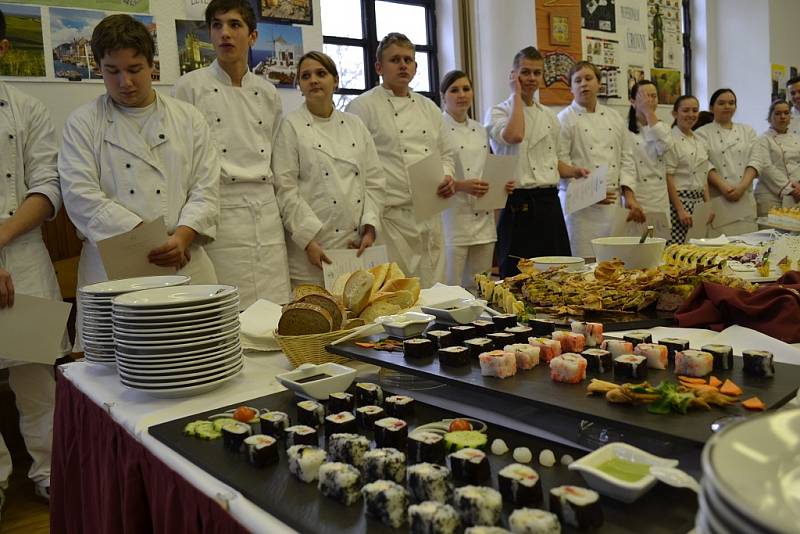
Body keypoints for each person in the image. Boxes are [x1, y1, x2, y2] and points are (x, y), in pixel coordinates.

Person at [59, 15, 220, 342]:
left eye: (134, 70)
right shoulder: (83, 123)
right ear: (98, 67)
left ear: (152, 65)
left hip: (184, 261)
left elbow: (206, 189)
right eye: (112, 71)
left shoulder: (188, 119)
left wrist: (182, 238)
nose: (125, 82)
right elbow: (80, 196)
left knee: (194, 355)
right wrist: (149, 240)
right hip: (112, 269)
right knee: (112, 372)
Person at [172, 0, 290, 307]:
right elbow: (181, 162)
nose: (225, 33)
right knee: (227, 309)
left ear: (252, 36)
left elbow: (278, 157)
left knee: (274, 308)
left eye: (234, 25)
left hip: (266, 213)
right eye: (217, 25)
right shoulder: (189, 88)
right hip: (219, 214)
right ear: (210, 34)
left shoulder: (268, 93)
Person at [0, 7, 66, 511]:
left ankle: (50, 470)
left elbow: (46, 188)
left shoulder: (26, 108)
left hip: (21, 257)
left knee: (36, 376)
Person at [346, 32, 456, 288]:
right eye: (395, 59)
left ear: (416, 67)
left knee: (433, 289)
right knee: (393, 293)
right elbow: (356, 167)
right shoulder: (362, 107)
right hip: (389, 219)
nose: (403, 65)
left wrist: (448, 176)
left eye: (408, 60)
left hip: (429, 213)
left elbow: (446, 154)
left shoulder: (429, 108)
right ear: (379, 67)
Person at [272, 51, 385, 287]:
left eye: (321, 73)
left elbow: (374, 181)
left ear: (335, 81)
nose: (313, 80)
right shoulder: (291, 126)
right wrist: (308, 241)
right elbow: (285, 190)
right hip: (311, 252)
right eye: (306, 76)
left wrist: (370, 229)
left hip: (355, 248)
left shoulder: (355, 125)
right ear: (299, 87)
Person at [486, 47, 585, 277]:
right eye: (525, 72)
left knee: (558, 274)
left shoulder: (549, 115)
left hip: (549, 202)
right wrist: (516, 96)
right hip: (518, 202)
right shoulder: (498, 111)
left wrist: (574, 171)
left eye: (536, 73)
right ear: (513, 75)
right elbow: (515, 136)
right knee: (517, 278)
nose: (531, 78)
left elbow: (554, 161)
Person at [557, 61, 642, 258]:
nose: (583, 84)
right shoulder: (564, 119)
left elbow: (626, 158)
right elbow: (561, 165)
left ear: (599, 83)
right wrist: (592, 193)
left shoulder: (614, 118)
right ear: (571, 87)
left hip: (612, 204)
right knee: (583, 264)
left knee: (613, 262)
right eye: (577, 80)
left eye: (588, 78)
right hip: (579, 210)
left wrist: (629, 197)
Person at [441, 69, 512, 285]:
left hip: (483, 220)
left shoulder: (480, 130)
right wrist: (462, 185)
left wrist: (502, 185)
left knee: (481, 285)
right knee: (451, 284)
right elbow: (433, 174)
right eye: (454, 90)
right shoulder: (438, 127)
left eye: (466, 89)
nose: (462, 94)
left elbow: (486, 169)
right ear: (443, 96)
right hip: (452, 219)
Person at [695, 88, 760, 236]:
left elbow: (756, 160)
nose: (727, 107)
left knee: (748, 248)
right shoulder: (702, 133)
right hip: (718, 198)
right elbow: (704, 164)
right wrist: (724, 188)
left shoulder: (747, 131)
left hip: (744, 198)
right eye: (721, 103)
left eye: (731, 103)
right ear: (712, 107)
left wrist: (741, 187)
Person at [666, 95, 716, 244]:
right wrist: (680, 210)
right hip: (678, 203)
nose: (691, 115)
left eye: (695, 110)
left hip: (698, 202)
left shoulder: (699, 140)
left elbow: (703, 176)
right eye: (685, 110)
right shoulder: (670, 139)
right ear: (675, 114)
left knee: (696, 250)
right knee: (677, 251)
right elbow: (668, 177)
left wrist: (708, 206)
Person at [626, 80, 673, 222]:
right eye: (645, 97)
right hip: (637, 194)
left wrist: (648, 113)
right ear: (633, 101)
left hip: (659, 195)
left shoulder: (663, 127)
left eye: (654, 96)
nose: (650, 101)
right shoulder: (624, 129)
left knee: (660, 241)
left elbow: (664, 147)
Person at [752, 100, 800, 216]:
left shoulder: (797, 139)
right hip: (770, 196)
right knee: (770, 233)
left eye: (786, 113)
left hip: (797, 195)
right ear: (769, 118)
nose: (782, 117)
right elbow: (766, 168)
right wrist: (790, 188)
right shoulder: (762, 139)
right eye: (778, 113)